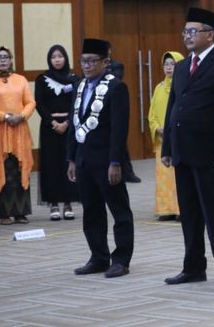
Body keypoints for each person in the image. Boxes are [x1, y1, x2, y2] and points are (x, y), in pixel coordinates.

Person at [161, 7, 214, 289]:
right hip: (184, 152)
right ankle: (193, 267)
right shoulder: (183, 66)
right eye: (185, 31)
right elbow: (174, 107)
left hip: (211, 154)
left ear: (209, 35)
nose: (187, 36)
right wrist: (167, 147)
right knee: (190, 214)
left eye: (192, 31)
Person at [67, 38, 134, 279]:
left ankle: (121, 259)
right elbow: (75, 124)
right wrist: (72, 159)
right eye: (83, 61)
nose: (86, 65)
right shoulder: (79, 86)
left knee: (119, 211)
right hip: (84, 160)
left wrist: (116, 162)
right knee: (91, 211)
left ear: (105, 62)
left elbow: (119, 129)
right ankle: (98, 257)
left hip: (107, 161)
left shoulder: (116, 87)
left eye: (92, 61)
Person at [0, 46, 35, 225]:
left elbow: (30, 101)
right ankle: (3, 213)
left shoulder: (20, 80)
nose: (3, 60)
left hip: (19, 130)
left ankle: (20, 212)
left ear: (11, 60)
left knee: (19, 170)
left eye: (6, 57)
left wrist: (22, 116)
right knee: (0, 169)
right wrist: (5, 116)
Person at [35, 45, 79, 221]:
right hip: (49, 128)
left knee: (69, 163)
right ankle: (53, 203)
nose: (57, 59)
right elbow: (39, 103)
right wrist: (53, 123)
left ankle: (68, 203)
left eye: (60, 56)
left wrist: (67, 122)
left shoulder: (74, 78)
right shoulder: (42, 79)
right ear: (49, 60)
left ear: (65, 58)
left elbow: (77, 102)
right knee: (51, 164)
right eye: (53, 57)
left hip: (70, 127)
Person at [148, 51, 184, 221]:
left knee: (178, 177)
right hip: (162, 139)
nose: (169, 68)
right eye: (166, 64)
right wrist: (157, 128)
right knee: (163, 176)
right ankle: (165, 209)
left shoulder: (182, 87)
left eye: (173, 64)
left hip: (177, 138)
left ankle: (179, 209)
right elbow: (151, 113)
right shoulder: (159, 87)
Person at [105, 46, 141, 184]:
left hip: (114, 106)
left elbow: (116, 78)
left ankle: (128, 172)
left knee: (120, 143)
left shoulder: (117, 65)